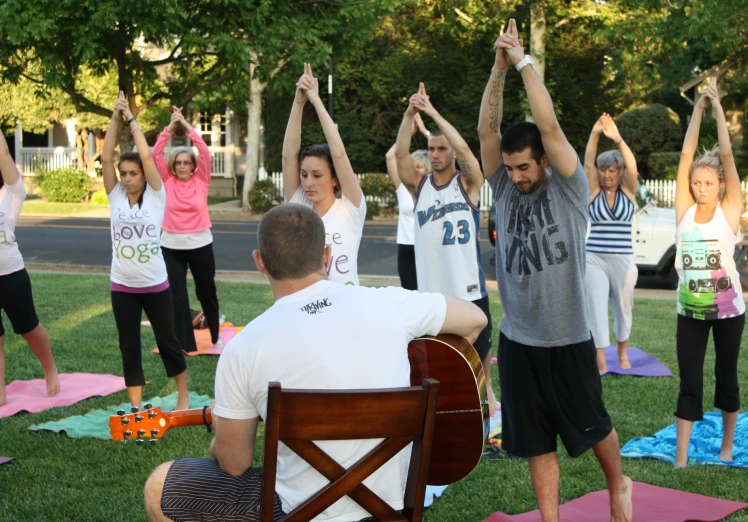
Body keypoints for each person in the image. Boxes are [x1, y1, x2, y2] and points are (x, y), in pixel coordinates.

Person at [143, 203, 488, 522]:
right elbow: (475, 319)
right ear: (326, 254)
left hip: (296, 513)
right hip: (388, 511)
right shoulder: (390, 305)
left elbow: (235, 464)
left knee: (159, 487)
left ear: (260, 261)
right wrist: (419, 363)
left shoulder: (244, 349)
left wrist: (219, 433)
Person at [477, 20, 632, 522]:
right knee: (536, 439)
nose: (516, 176)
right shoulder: (502, 185)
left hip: (568, 336)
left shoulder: (567, 186)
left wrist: (523, 61)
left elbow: (550, 127)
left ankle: (617, 483)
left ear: (543, 161)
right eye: (511, 167)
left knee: (594, 424)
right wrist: (497, 71)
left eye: (524, 167)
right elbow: (485, 130)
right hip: (519, 339)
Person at [394, 82, 497, 416]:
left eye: (441, 148)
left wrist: (433, 112)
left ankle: (485, 409)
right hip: (432, 295)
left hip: (468, 288)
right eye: (432, 149)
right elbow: (399, 156)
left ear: (450, 151)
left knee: (480, 356)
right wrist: (410, 114)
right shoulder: (419, 186)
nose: (436, 154)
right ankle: (443, 411)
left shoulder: (467, 184)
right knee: (437, 357)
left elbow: (467, 150)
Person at [673, 78, 745, 468]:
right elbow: (687, 155)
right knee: (690, 382)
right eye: (696, 183)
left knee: (726, 378)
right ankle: (681, 456)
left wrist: (717, 107)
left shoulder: (728, 210)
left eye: (707, 183)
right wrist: (697, 110)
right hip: (690, 313)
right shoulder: (684, 210)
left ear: (720, 186)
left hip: (730, 313)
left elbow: (729, 157)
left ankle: (727, 446)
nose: (700, 188)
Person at [101, 92, 189, 410]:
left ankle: (183, 394)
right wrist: (115, 116)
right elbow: (106, 157)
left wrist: (132, 119)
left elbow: (149, 158)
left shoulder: (156, 196)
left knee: (168, 341)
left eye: (132, 173)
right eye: (124, 174)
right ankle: (136, 405)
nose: (126, 179)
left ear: (143, 175)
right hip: (122, 286)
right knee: (129, 345)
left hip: (154, 285)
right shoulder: (114, 196)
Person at [282, 63, 366, 286]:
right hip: (309, 309)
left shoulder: (351, 210)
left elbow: (338, 153)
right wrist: (299, 102)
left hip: (346, 310)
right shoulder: (299, 206)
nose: (308, 183)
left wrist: (316, 101)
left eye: (317, 175)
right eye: (304, 174)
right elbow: (288, 156)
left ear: (334, 178)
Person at [152, 107, 221, 353]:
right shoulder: (166, 182)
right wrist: (171, 128)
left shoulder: (201, 180)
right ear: (174, 165)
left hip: (200, 244)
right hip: (171, 247)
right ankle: (184, 342)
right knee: (177, 296)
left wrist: (187, 126)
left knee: (207, 292)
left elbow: (203, 150)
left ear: (193, 165)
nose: (182, 166)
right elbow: (156, 153)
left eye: (187, 162)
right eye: (179, 162)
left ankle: (214, 334)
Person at [0, 132, 59, 407]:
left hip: (11, 274)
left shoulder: (10, 194)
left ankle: (50, 369)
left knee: (29, 328)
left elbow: (5, 156)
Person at [583, 113, 639, 374]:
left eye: (611, 170)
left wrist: (616, 138)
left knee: (623, 307)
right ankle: (601, 360)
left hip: (623, 260)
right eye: (603, 170)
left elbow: (633, 167)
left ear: (619, 174)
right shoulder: (593, 191)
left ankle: (622, 352)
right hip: (594, 257)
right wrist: (595, 133)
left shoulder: (628, 191)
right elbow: (587, 165)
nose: (606, 174)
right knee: (596, 306)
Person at [384, 113, 431, 290]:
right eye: (412, 166)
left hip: (428, 248)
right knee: (409, 293)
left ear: (428, 169)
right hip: (406, 248)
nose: (414, 171)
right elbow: (390, 157)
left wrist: (426, 133)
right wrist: (408, 133)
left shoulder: (434, 188)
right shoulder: (402, 187)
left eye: (418, 167)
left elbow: (454, 156)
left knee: (429, 293)